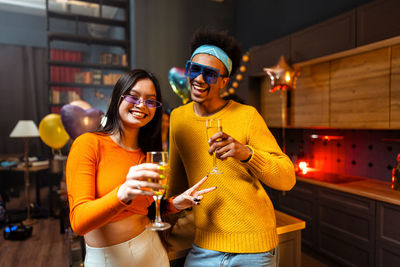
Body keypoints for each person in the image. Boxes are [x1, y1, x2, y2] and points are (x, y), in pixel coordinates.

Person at [166, 28, 296, 266]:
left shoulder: (247, 115)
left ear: (224, 81)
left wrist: (247, 154)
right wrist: (162, 231)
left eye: (210, 74)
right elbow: (176, 181)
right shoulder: (178, 118)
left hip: (254, 245)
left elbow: (287, 178)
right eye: (194, 70)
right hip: (205, 245)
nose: (199, 79)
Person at [66, 69, 216, 267]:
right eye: (133, 96)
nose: (142, 105)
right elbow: (79, 223)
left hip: (150, 249)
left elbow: (145, 209)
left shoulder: (148, 154)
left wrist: (176, 203)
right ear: (117, 98)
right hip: (109, 259)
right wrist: (122, 193)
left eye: (151, 101)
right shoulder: (88, 144)